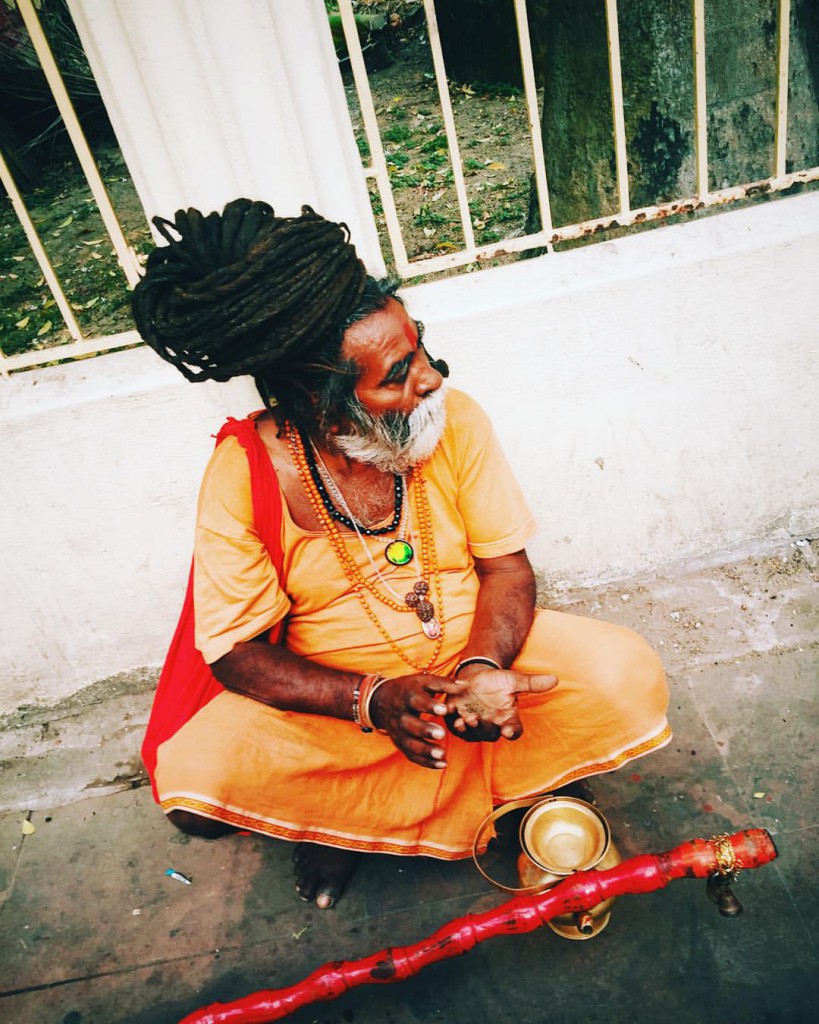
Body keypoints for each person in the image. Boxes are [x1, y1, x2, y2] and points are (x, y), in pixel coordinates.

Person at [132, 199, 671, 910]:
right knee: (201, 775)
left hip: (474, 642)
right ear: (321, 403)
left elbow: (506, 568)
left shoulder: (453, 419)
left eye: (420, 351)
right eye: (395, 373)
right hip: (343, 694)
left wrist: (481, 668)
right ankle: (356, 821)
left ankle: (446, 777)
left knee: (620, 671)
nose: (430, 381)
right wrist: (375, 700)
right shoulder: (243, 470)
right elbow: (234, 654)